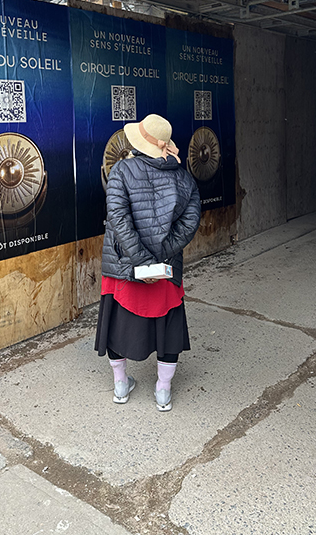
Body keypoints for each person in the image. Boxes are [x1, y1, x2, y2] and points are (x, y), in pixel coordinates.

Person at [95, 113, 201, 411]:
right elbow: (190, 222)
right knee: (168, 329)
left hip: (125, 266)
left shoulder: (121, 170)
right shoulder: (184, 177)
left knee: (117, 324)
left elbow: (118, 218)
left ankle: (120, 385)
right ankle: (163, 391)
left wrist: (140, 261)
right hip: (165, 268)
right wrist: (161, 254)